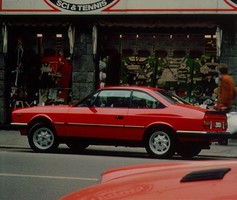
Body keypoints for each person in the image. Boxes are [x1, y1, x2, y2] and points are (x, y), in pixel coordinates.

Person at [217, 63, 236, 145]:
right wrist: (231, 100)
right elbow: (234, 91)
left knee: (221, 122)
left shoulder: (224, 79)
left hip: (224, 104)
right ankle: (223, 139)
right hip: (228, 103)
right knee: (225, 121)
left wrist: (221, 105)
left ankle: (223, 139)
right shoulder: (230, 78)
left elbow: (224, 93)